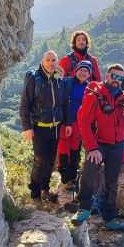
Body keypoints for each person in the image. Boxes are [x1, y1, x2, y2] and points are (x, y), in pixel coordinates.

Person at [72, 64, 124, 230]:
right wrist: (92, 148)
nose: (117, 80)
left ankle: (109, 218)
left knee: (112, 180)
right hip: (99, 144)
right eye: (114, 76)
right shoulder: (95, 96)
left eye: (120, 78)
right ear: (107, 76)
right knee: (89, 170)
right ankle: (83, 209)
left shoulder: (123, 98)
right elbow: (84, 123)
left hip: (118, 145)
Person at [18, 51, 72, 204]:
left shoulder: (59, 80)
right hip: (39, 127)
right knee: (40, 160)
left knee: (50, 160)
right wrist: (26, 127)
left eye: (54, 60)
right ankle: (35, 194)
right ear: (42, 61)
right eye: (48, 60)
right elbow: (24, 105)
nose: (51, 63)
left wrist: (67, 123)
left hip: (55, 127)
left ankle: (45, 189)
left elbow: (65, 104)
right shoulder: (34, 79)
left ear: (57, 62)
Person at [56, 60, 93, 195]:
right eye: (81, 70)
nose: (83, 73)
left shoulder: (89, 87)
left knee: (75, 148)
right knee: (64, 148)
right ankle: (65, 178)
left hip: (80, 124)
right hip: (66, 122)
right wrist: (67, 122)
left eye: (86, 71)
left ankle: (73, 175)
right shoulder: (67, 82)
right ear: (76, 70)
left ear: (89, 74)